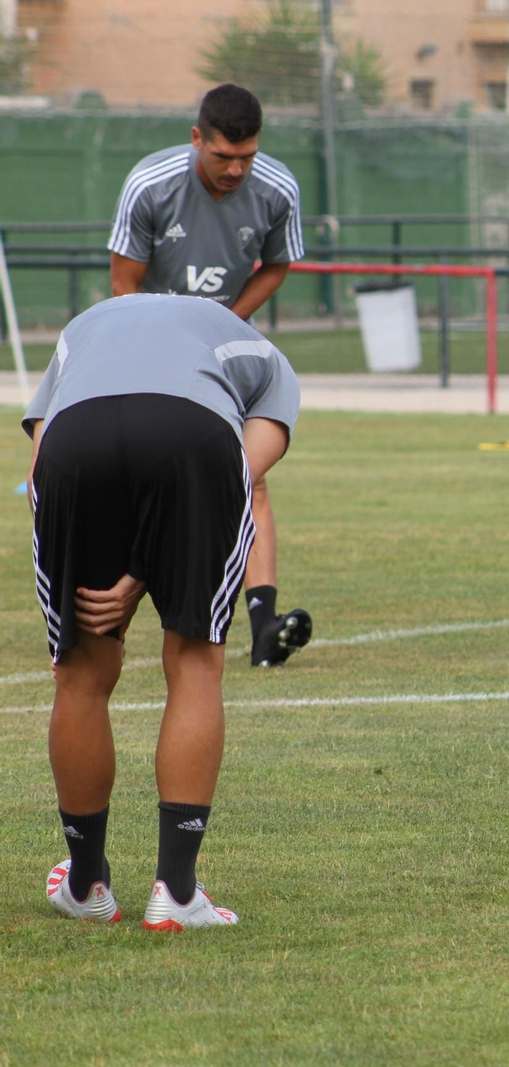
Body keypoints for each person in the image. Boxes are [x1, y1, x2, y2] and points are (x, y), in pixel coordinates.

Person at [27, 293, 301, 930]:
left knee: (81, 672)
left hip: (74, 442)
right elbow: (240, 469)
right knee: (195, 660)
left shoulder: (84, 325)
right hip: (194, 438)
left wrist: (118, 566)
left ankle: (87, 885)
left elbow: (44, 454)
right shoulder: (258, 349)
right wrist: (153, 565)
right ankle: (175, 893)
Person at [108, 82, 311, 668]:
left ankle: (263, 623)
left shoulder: (277, 189)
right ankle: (108, 611)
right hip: (147, 342)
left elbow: (277, 265)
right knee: (136, 480)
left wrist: (224, 324)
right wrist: (169, 339)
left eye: (246, 156)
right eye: (223, 156)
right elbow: (124, 285)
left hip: (220, 346)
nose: (236, 169)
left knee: (250, 474)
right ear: (197, 138)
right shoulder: (150, 185)